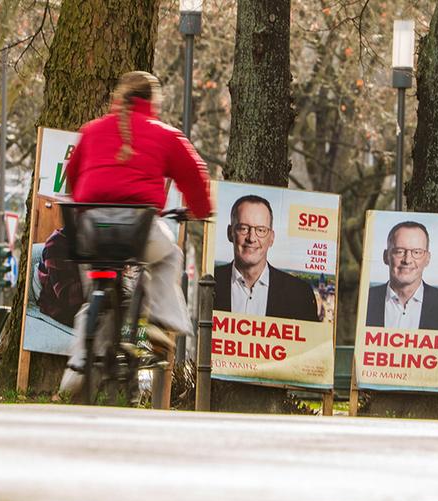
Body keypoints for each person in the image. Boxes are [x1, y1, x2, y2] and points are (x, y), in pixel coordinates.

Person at [61, 71, 212, 378]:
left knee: (95, 295)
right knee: (169, 257)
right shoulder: (164, 134)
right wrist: (201, 209)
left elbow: (73, 177)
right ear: (153, 101)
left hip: (91, 231)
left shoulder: (91, 131)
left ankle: (80, 361)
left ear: (118, 97)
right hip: (137, 230)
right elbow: (195, 175)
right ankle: (159, 323)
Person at [212, 195, 319, 322]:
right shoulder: (209, 283)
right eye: (243, 228)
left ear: (271, 238)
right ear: (230, 233)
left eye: (261, 230)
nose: (251, 238)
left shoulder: (300, 294)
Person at [364, 221, 438, 331]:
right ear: (386, 257)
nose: (407, 260)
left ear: (427, 258)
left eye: (417, 252)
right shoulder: (364, 301)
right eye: (399, 251)